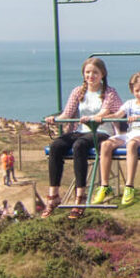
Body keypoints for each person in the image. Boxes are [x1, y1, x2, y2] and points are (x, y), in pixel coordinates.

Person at [44, 56, 122, 218]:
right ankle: (53, 195)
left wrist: (95, 118)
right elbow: (67, 113)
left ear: (102, 74)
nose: (90, 76)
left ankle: (80, 196)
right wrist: (55, 119)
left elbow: (106, 111)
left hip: (102, 131)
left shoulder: (109, 92)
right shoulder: (78, 92)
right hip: (82, 130)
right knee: (56, 146)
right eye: (87, 72)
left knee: (79, 145)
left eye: (95, 72)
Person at [95, 70, 140, 207]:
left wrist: (138, 118)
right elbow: (118, 114)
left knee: (131, 144)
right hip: (131, 133)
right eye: (137, 91)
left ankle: (129, 186)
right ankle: (105, 185)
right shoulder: (130, 104)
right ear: (132, 91)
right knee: (106, 145)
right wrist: (103, 118)